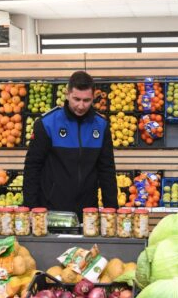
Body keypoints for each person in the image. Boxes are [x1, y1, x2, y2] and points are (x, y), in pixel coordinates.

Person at [23, 71, 118, 215]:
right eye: (76, 99)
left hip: (88, 212)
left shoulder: (101, 126)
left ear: (94, 97)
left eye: (86, 100)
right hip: (51, 210)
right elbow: (32, 168)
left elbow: (107, 171)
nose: (81, 106)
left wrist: (112, 211)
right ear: (67, 94)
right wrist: (31, 209)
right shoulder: (47, 124)